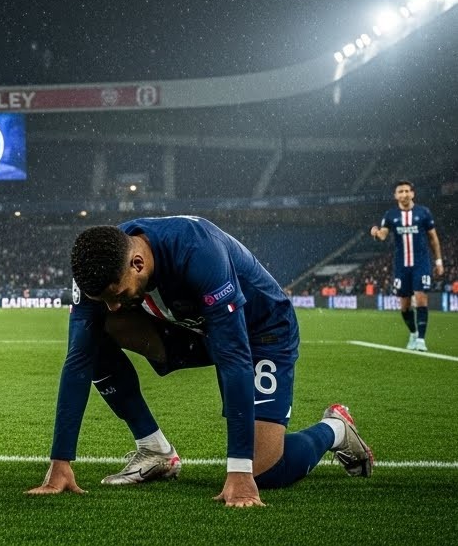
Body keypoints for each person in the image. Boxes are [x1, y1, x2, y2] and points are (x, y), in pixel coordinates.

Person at [27, 216, 374, 508]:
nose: (114, 305)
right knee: (93, 339)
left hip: (260, 331)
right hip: (192, 327)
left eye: (118, 295)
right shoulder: (100, 261)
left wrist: (239, 471)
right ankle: (155, 451)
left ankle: (335, 429)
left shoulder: (197, 250)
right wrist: (60, 461)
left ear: (138, 264)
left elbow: (235, 356)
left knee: (265, 472)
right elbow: (77, 362)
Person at [370, 180, 444, 352]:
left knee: (420, 298)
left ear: (413, 193)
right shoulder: (391, 215)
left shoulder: (423, 213)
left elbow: (433, 238)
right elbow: (382, 236)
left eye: (406, 191)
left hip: (421, 263)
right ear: (395, 195)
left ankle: (421, 340)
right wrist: (375, 233)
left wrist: (439, 261)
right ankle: (413, 332)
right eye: (400, 191)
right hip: (401, 265)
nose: (404, 194)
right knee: (404, 305)